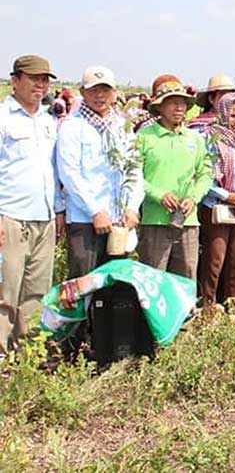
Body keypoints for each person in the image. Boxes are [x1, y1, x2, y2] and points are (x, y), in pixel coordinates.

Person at [56, 66, 144, 279]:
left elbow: (135, 169)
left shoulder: (122, 126)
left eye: (105, 89)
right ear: (83, 92)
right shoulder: (72, 126)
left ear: (114, 93)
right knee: (83, 284)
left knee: (113, 289)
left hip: (118, 221)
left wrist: (132, 208)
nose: (100, 95)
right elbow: (69, 173)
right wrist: (95, 210)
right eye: (93, 90)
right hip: (85, 221)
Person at [0, 55, 61, 355]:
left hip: (44, 217)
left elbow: (54, 171)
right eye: (35, 78)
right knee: (5, 291)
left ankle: (27, 355)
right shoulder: (3, 118)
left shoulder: (49, 122)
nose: (41, 85)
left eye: (46, 79)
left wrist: (58, 212)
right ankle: (1, 352)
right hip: (10, 218)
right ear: (15, 80)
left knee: (37, 291)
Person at [136, 76, 213, 279]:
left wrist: (193, 198)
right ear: (159, 107)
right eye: (172, 102)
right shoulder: (144, 137)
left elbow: (205, 173)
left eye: (182, 103)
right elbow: (132, 175)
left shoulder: (195, 139)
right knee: (153, 277)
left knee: (186, 277)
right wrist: (158, 195)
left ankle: (186, 312)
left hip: (187, 221)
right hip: (154, 221)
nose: (179, 107)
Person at [198, 92, 235, 310]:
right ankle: (208, 305)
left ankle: (234, 306)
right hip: (216, 206)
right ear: (222, 114)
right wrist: (226, 196)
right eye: (232, 116)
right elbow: (203, 177)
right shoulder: (210, 138)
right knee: (214, 259)